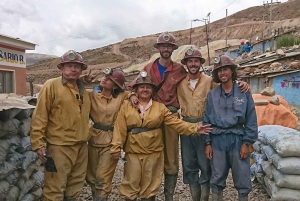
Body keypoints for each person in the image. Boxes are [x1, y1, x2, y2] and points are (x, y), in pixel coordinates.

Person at [110, 72, 212, 201]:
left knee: (150, 186)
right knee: (131, 182)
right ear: (136, 89)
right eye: (141, 87)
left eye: (148, 87)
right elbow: (120, 128)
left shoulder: (160, 108)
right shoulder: (127, 106)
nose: (145, 90)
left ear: (153, 90)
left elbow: (176, 123)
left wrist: (195, 128)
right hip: (133, 152)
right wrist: (116, 147)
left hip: (154, 152)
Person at [177, 47, 250, 201]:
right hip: (186, 128)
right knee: (189, 166)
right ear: (186, 63)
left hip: (206, 128)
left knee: (206, 166)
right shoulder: (179, 83)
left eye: (196, 61)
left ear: (201, 63)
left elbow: (227, 89)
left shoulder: (210, 82)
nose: (193, 64)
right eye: (190, 61)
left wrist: (242, 84)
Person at [128, 32, 187, 201]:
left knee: (171, 158)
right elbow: (133, 86)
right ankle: (149, 194)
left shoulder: (179, 69)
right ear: (159, 48)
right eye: (163, 46)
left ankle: (169, 195)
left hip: (170, 115)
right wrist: (131, 95)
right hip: (152, 115)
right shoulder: (148, 68)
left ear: (172, 49)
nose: (166, 49)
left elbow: (195, 80)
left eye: (169, 46)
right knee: (150, 154)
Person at [30, 50, 91, 201]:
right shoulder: (51, 86)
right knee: (54, 188)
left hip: (81, 146)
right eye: (69, 65)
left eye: (77, 66)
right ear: (61, 68)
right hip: (59, 146)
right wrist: (38, 142)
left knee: (75, 186)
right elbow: (40, 115)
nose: (73, 69)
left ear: (81, 69)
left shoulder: (83, 89)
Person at [203, 55, 258, 201]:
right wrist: (207, 143)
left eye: (225, 69)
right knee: (217, 177)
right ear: (216, 74)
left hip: (238, 140)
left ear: (232, 71)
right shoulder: (212, 95)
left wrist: (247, 143)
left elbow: (251, 119)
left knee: (242, 176)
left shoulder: (244, 92)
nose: (223, 73)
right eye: (219, 70)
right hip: (217, 140)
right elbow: (206, 120)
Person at [81, 68, 128, 201]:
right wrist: (84, 80)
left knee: (103, 177)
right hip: (93, 139)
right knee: (91, 176)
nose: (104, 79)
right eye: (105, 76)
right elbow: (73, 88)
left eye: (110, 79)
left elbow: (134, 91)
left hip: (111, 141)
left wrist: (134, 95)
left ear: (115, 85)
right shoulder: (91, 95)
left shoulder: (121, 97)